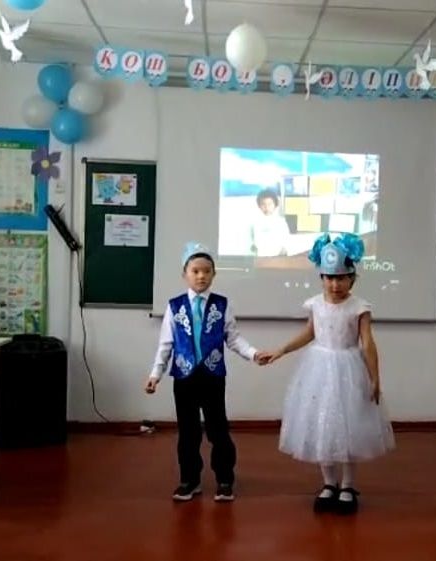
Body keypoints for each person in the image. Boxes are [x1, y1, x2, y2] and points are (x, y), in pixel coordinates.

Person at [259, 232, 395, 514]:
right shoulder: (315, 304)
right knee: (323, 426)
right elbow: (310, 333)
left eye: (342, 278)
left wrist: (375, 378)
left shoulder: (359, 307)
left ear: (352, 279)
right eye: (330, 278)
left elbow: (368, 344)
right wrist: (282, 350)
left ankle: (348, 485)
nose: (335, 284)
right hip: (319, 370)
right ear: (321, 278)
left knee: (349, 428)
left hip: (349, 369)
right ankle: (329, 483)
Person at [145, 242, 265, 502]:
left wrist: (253, 353)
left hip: (212, 376)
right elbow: (166, 344)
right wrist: (155, 374)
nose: (201, 276)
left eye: (207, 271)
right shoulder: (174, 306)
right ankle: (189, 480)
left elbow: (234, 338)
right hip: (184, 377)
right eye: (195, 271)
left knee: (217, 429)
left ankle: (224, 479)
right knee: (188, 432)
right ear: (185, 274)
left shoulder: (222, 305)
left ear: (214, 274)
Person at [249, 189, 291, 257]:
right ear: (259, 205)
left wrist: (283, 252)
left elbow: (286, 241)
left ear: (275, 204)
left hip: (278, 257)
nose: (266, 207)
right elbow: (253, 242)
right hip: (261, 258)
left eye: (269, 204)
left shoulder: (281, 222)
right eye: (263, 204)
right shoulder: (255, 223)